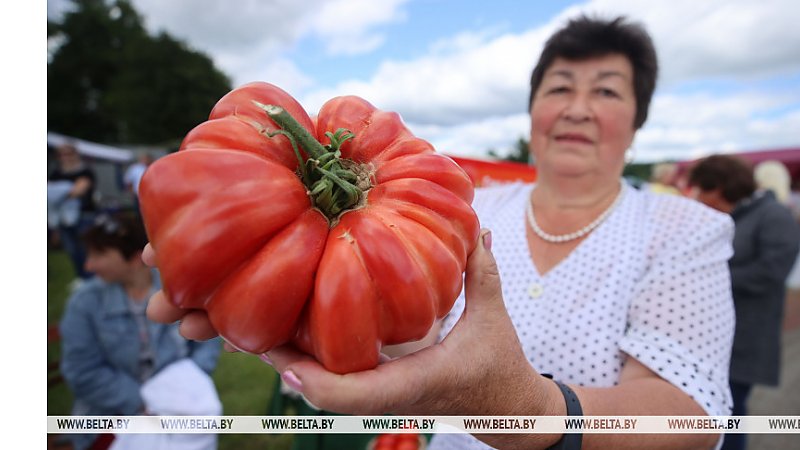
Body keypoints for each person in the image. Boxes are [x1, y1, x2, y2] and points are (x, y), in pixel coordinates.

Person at [146, 15, 737, 449]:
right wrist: (295, 301)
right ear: (533, 110)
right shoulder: (473, 208)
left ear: (637, 121)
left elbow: (685, 413)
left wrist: (525, 410)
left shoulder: (685, 227)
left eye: (606, 91)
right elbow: (409, 328)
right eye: (559, 88)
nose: (578, 108)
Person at [59, 212, 223, 450]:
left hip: (180, 404)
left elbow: (206, 342)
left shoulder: (178, 287)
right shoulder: (84, 303)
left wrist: (190, 385)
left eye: (99, 254)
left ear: (136, 258)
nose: (88, 265)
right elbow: (82, 371)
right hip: (112, 415)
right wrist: (144, 403)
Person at [687, 155, 800, 450]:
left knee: (731, 416)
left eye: (703, 189)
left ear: (721, 187)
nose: (698, 197)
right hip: (715, 338)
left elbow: (772, 271)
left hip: (746, 338)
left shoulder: (774, 215)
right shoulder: (736, 216)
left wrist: (710, 276)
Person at [48, 142, 98, 281]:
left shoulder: (85, 171)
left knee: (86, 249)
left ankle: (92, 278)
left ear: (76, 154)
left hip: (84, 216)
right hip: (62, 217)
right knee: (71, 249)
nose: (65, 157)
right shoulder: (56, 173)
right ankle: (81, 276)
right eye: (62, 154)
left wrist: (56, 193)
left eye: (69, 153)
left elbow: (78, 190)